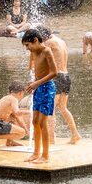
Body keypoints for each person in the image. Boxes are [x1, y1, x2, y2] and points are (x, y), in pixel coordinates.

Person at [21, 30, 59, 163]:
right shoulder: (34, 52)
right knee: (35, 121)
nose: (27, 48)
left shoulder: (47, 51)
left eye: (27, 45)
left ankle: (46, 155)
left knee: (42, 122)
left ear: (36, 40)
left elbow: (55, 72)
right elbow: (38, 72)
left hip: (47, 88)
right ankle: (36, 153)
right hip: (38, 88)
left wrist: (37, 82)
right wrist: (33, 83)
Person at [42, 28, 81, 144]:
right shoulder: (61, 41)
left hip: (57, 77)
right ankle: (75, 134)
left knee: (50, 109)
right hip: (66, 76)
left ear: (44, 37)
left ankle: (51, 140)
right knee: (63, 108)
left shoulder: (48, 43)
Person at [0, 83, 31, 149]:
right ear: (20, 92)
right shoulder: (13, 99)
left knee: (12, 118)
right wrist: (31, 112)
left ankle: (10, 142)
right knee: (21, 133)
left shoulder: (6, 98)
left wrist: (27, 131)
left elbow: (18, 118)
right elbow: (17, 112)